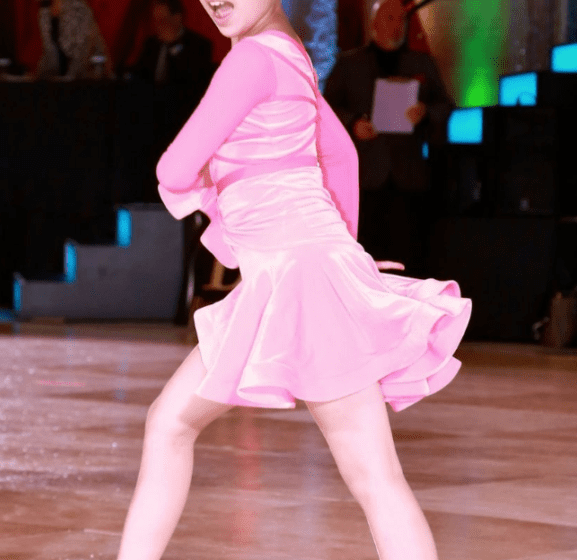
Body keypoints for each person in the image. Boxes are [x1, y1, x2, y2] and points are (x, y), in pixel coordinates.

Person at [115, 0, 471, 558]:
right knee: (172, 424)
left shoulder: (251, 59)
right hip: (297, 273)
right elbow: (343, 156)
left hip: (298, 275)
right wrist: (340, 255)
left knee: (372, 478)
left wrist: (229, 199)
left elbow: (173, 169)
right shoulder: (292, 55)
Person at [323, 0, 453, 276]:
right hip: (364, 176)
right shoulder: (349, 64)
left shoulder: (422, 63)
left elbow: (446, 105)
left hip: (409, 174)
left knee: (410, 254)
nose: (397, 26)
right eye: (390, 18)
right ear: (374, 24)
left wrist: (425, 112)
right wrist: (353, 123)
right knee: (366, 253)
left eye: (402, 20)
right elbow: (326, 108)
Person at [133, 0, 213, 94]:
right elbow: (139, 75)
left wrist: (172, 46)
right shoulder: (151, 43)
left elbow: (192, 84)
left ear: (177, 18)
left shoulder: (199, 45)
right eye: (155, 21)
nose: (157, 26)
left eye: (162, 20)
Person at [34, 0, 114, 80]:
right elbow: (50, 51)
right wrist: (40, 77)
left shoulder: (78, 6)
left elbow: (83, 50)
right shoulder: (44, 11)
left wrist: (69, 78)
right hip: (63, 75)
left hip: (92, 72)